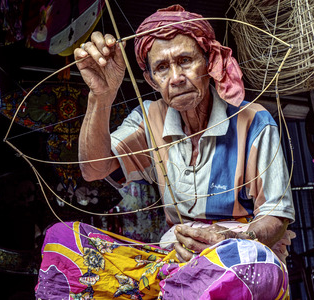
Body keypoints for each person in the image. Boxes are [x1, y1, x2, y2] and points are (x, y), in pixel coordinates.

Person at [35, 5, 295, 299]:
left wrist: (230, 238)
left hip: (241, 256)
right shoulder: (150, 118)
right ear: (150, 80)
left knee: (248, 267)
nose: (176, 77)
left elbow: (276, 217)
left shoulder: (254, 120)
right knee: (63, 243)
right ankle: (179, 286)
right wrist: (101, 96)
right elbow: (93, 169)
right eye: (161, 68)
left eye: (185, 61)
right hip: (174, 259)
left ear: (209, 62)